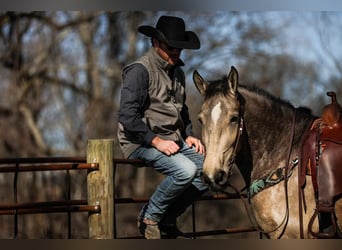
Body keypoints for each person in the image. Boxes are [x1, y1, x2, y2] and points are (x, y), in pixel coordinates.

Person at [117, 15, 208, 239]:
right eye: (171, 47)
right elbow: (128, 117)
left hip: (173, 139)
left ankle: (167, 218)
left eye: (180, 48)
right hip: (139, 141)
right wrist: (156, 141)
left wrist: (188, 135)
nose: (176, 52)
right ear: (156, 43)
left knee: (208, 172)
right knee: (186, 171)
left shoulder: (177, 72)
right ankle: (149, 217)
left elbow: (182, 109)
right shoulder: (139, 71)